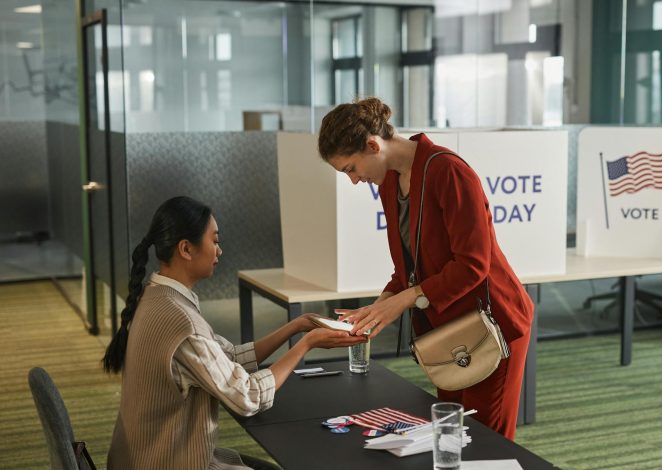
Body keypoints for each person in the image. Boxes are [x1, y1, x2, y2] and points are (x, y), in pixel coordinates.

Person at [318, 98, 534, 440]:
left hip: (494, 324)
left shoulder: (448, 171)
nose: (355, 181)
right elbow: (409, 269)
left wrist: (402, 300)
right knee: (451, 436)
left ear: (373, 145)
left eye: (350, 169)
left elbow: (472, 265)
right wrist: (379, 307)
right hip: (450, 328)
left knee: (485, 443)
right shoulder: (391, 182)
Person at [102, 196, 365, 469]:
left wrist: (297, 326)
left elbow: (227, 356)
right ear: (186, 249)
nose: (220, 251)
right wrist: (306, 344)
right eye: (214, 241)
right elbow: (247, 397)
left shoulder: (157, 297)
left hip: (146, 456)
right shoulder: (181, 323)